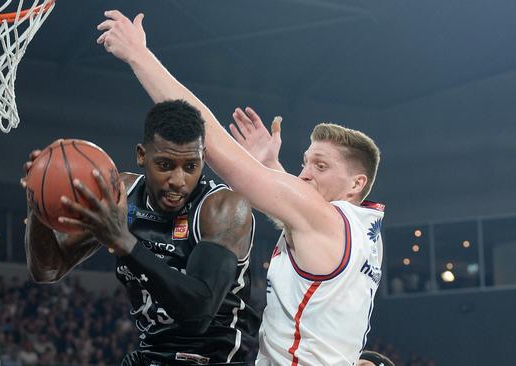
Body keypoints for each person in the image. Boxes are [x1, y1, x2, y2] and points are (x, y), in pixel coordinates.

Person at [97, 10, 385, 366]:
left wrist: (139, 56)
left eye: (321, 166)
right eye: (305, 162)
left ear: (356, 184)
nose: (305, 174)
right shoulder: (367, 231)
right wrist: (270, 166)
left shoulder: (322, 217)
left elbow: (213, 143)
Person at [22, 100, 260, 365]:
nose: (178, 180)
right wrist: (39, 204)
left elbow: (198, 315)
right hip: (151, 355)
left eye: (190, 166)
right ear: (141, 155)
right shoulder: (120, 195)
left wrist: (125, 242)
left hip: (213, 358)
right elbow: (48, 269)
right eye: (165, 165)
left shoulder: (224, 208)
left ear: (203, 157)